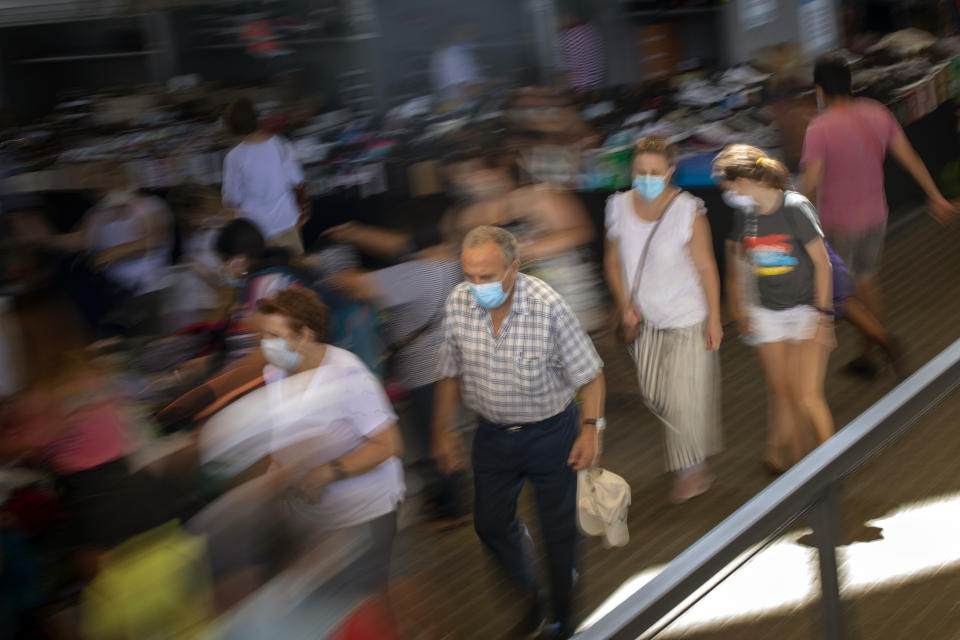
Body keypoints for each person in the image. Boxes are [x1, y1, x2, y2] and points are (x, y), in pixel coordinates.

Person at [431, 226, 605, 639]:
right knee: (490, 525)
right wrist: (442, 430)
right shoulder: (458, 303)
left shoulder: (548, 307)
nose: (477, 285)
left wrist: (590, 431)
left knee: (558, 532)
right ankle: (534, 594)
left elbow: (592, 376)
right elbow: (449, 371)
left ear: (514, 267)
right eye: (469, 275)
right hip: (492, 436)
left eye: (487, 276)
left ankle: (563, 618)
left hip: (551, 434)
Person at [193, 288, 404, 606]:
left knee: (367, 602)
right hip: (315, 518)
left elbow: (388, 445)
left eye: (273, 334)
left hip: (365, 514)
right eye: (262, 335)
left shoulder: (348, 376)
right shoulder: (276, 374)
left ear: (305, 334)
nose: (265, 344)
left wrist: (328, 472)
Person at [800, 53, 958, 378]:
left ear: (819, 91)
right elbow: (910, 157)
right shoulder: (877, 112)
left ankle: (882, 338)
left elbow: (811, 184)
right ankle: (866, 357)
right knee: (867, 280)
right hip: (876, 215)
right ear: (850, 85)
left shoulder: (819, 128)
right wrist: (935, 196)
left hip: (840, 222)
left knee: (839, 293)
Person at [324, 221, 469, 530]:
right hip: (447, 362)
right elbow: (393, 245)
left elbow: (355, 284)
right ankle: (453, 500)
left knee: (437, 434)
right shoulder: (453, 262)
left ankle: (452, 508)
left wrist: (333, 259)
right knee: (446, 430)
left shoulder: (419, 273)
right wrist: (352, 233)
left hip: (427, 368)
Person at [603, 137, 723, 503]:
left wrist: (715, 318)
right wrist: (624, 305)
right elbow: (612, 261)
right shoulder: (618, 206)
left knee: (684, 395)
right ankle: (694, 454)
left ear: (670, 173)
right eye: (640, 171)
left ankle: (691, 471)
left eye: (655, 172)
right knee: (657, 395)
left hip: (688, 315)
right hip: (646, 319)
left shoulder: (688, 211)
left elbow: (705, 266)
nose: (646, 178)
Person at [716, 145, 836, 473]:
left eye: (729, 186)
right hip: (768, 314)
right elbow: (740, 256)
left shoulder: (795, 207)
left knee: (807, 395)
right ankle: (801, 469)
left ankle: (834, 465)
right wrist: (741, 303)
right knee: (785, 393)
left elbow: (823, 265)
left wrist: (824, 319)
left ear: (742, 181)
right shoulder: (747, 213)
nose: (728, 194)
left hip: (805, 311)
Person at [443, 152, 607, 333]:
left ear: (498, 170)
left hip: (562, 300)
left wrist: (524, 249)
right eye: (458, 176)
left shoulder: (539, 197)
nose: (466, 182)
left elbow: (581, 232)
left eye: (471, 172)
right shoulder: (460, 218)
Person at [23, 164, 174, 337]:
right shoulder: (97, 214)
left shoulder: (149, 206)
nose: (103, 190)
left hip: (148, 290)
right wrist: (44, 240)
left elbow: (151, 242)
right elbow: (80, 240)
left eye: (109, 183)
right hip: (114, 293)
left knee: (149, 338)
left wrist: (112, 253)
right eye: (100, 187)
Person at [221, 98, 309, 256]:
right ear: (256, 118)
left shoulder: (234, 157)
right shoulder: (279, 143)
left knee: (267, 274)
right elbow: (297, 180)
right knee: (297, 269)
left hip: (256, 229)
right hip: (286, 220)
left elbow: (232, 199)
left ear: (231, 127)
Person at [216, 219, 308, 365]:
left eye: (225, 260)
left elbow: (270, 345)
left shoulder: (265, 285)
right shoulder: (268, 279)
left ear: (240, 258)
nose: (223, 267)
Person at [429, 25, 485, 105]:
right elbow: (469, 92)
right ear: (455, 33)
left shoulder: (459, 52)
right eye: (469, 33)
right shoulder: (452, 56)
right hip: (464, 109)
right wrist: (494, 82)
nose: (475, 36)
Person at [556, 11, 606, 96]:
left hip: (581, 90)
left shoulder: (572, 36)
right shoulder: (592, 29)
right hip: (595, 86)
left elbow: (572, 69)